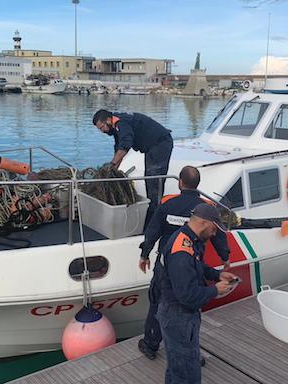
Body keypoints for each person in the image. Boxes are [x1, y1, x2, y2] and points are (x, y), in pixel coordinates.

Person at [137, 166, 230, 360]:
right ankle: (190, 349)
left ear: (180, 182)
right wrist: (225, 258)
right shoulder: (206, 209)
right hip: (190, 265)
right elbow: (218, 237)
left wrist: (145, 254)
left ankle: (150, 345)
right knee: (189, 308)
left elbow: (153, 230)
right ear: (198, 184)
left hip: (165, 264)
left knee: (157, 304)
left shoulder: (167, 204)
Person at [157, 203, 237, 384]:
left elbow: (198, 266)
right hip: (178, 317)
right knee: (187, 374)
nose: (215, 233)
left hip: (179, 317)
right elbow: (187, 296)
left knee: (177, 367)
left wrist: (217, 274)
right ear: (202, 222)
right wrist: (215, 290)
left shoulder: (188, 239)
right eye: (214, 228)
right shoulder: (181, 252)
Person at [92, 109, 173, 225]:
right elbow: (118, 147)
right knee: (149, 179)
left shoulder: (121, 123)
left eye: (102, 127)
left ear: (108, 120)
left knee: (154, 180)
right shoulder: (116, 125)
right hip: (151, 147)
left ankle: (155, 220)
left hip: (160, 144)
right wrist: (113, 170)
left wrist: (112, 165)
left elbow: (125, 144)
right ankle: (153, 214)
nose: (102, 131)